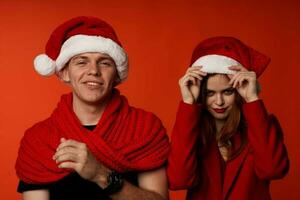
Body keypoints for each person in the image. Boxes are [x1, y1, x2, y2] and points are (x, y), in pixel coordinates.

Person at [15, 16, 170, 200]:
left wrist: (100, 175)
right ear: (64, 72)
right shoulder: (38, 140)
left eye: (104, 62)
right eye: (82, 62)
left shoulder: (144, 127)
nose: (94, 71)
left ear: (117, 75)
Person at [167, 36, 289, 200]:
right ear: (202, 94)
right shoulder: (191, 130)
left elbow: (273, 169)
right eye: (210, 93)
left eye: (227, 92)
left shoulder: (263, 125)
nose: (219, 102)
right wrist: (188, 103)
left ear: (238, 90)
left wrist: (252, 98)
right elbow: (178, 180)